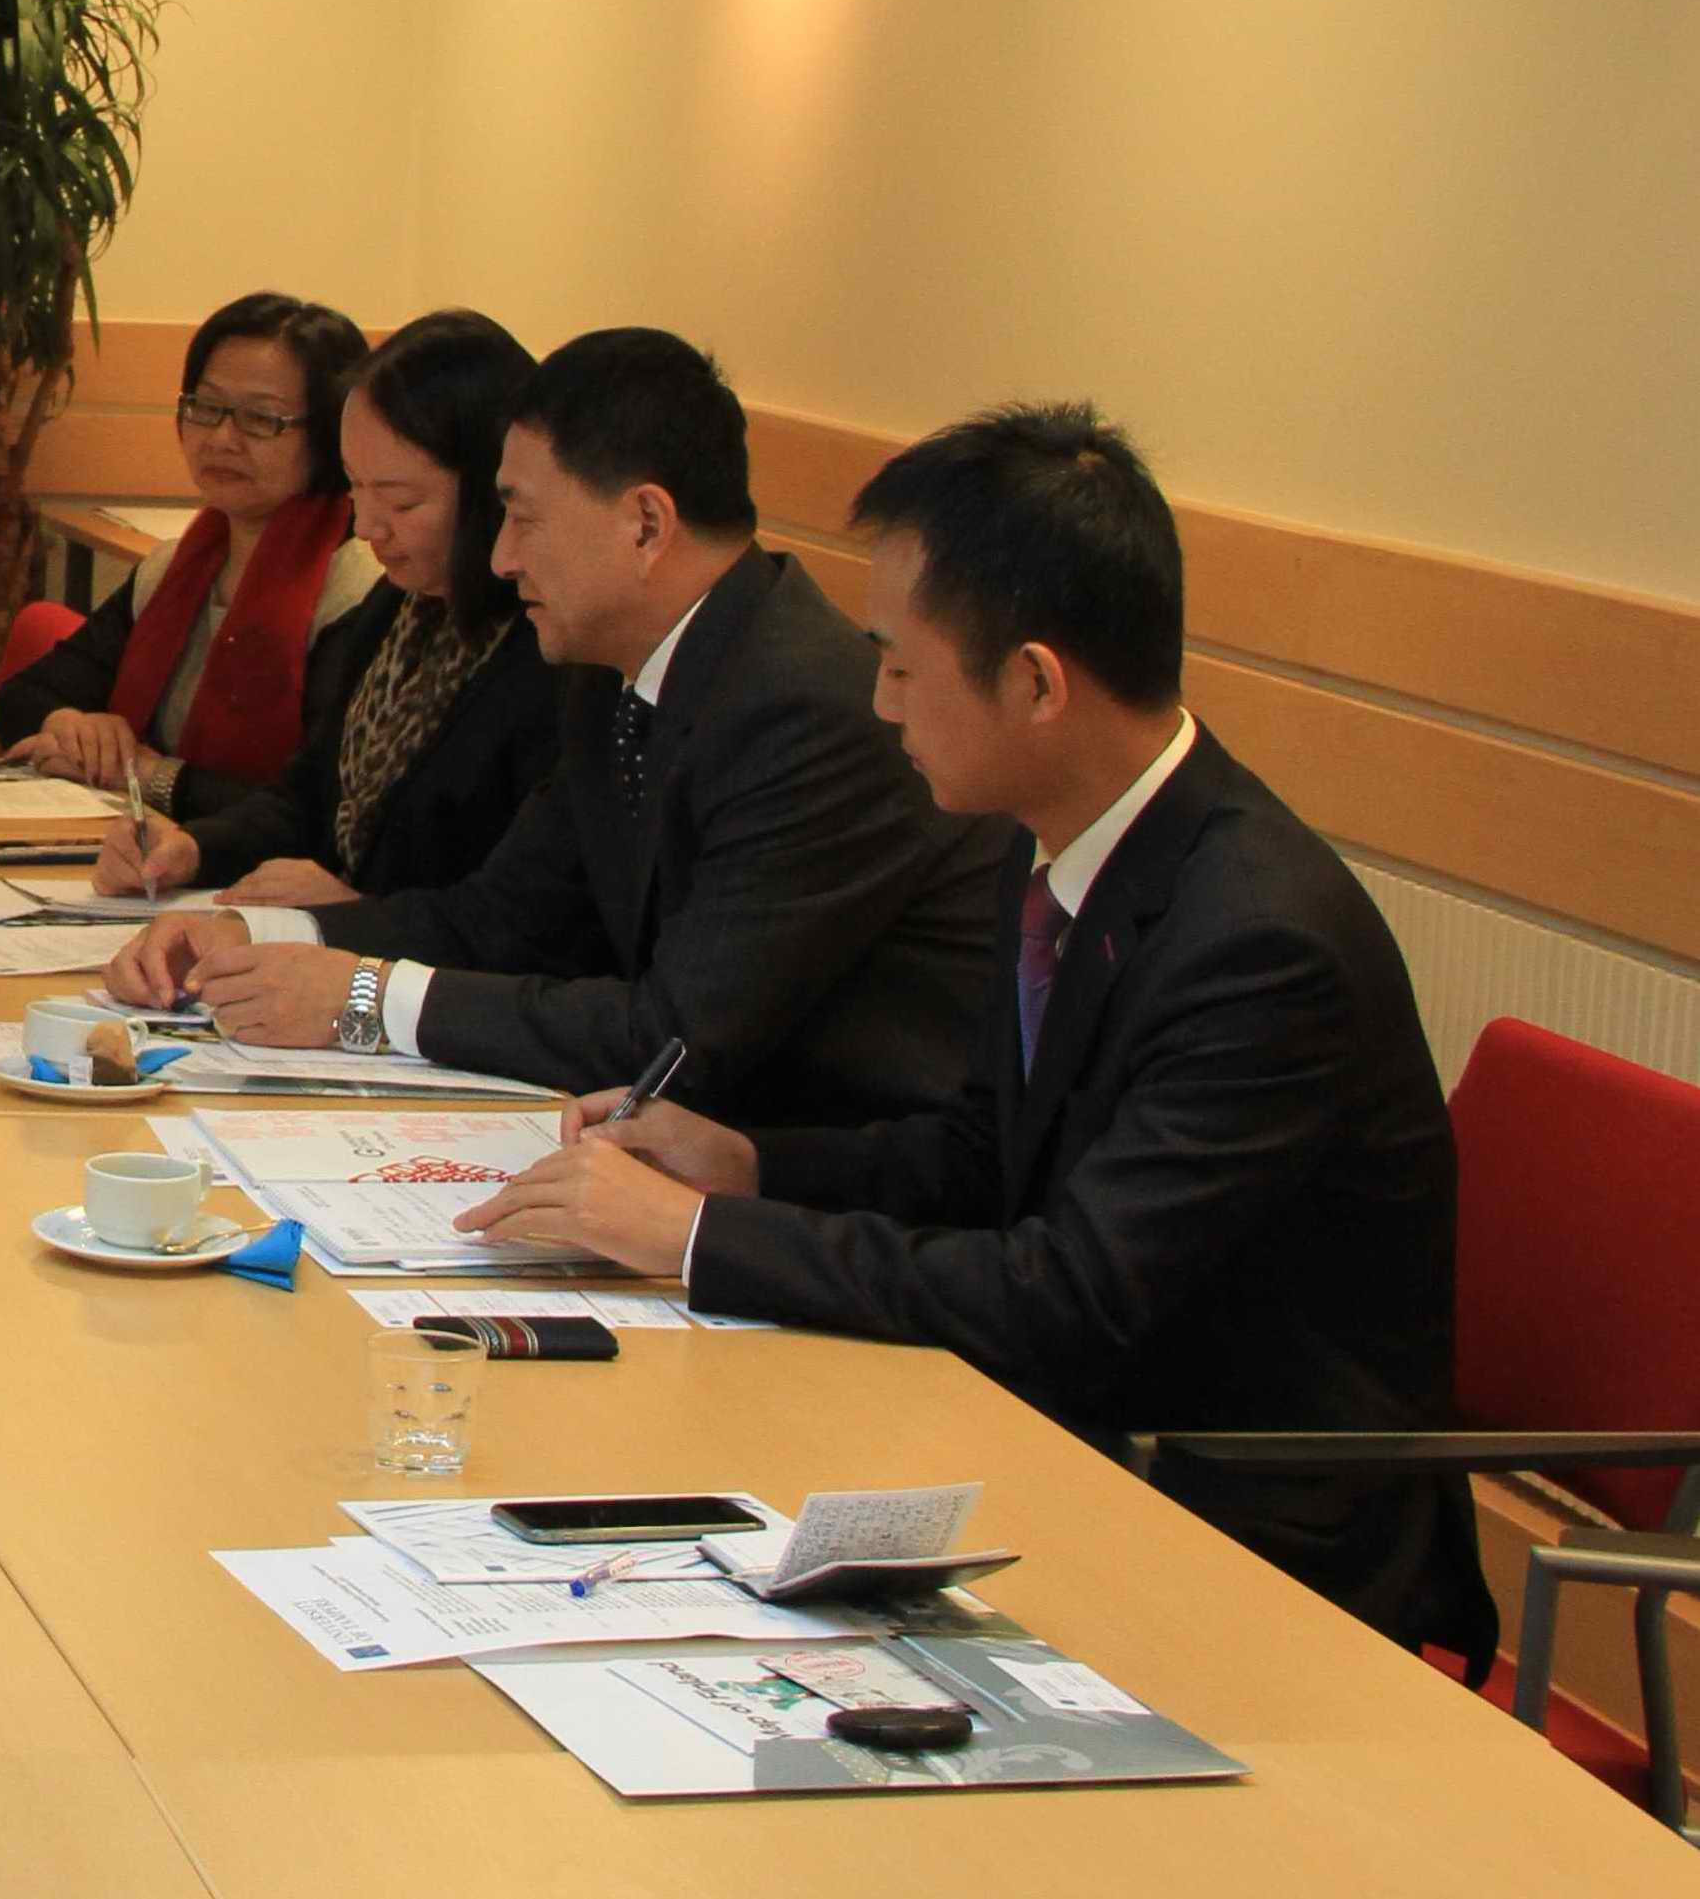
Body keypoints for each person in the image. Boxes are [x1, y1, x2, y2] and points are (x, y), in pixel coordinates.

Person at [455, 405, 1490, 1659]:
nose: (877, 701)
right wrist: (748, 1165)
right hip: (1073, 1429)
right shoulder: (1060, 837)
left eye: (899, 666)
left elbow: (1067, 1295)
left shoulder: (1258, 943)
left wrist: (695, 1236)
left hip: (1245, 1527)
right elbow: (981, 1154)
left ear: (1034, 683)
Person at [107, 327, 1005, 1126]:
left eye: (524, 519)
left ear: (645, 524)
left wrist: (368, 1000)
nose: (501, 557)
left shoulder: (801, 709)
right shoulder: (609, 670)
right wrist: (260, 936)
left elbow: (675, 1037)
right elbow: (501, 920)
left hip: (838, 1174)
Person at [94, 310, 556, 906]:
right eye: (356, 488)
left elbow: (521, 916)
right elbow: (307, 798)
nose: (367, 527)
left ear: (494, 493)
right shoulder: (400, 609)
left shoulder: (545, 653)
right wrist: (193, 848)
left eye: (401, 503)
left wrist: (357, 914)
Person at [0, 292, 380, 821]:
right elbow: (21, 697)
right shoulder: (178, 567)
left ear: (331, 434)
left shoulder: (358, 591)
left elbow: (322, 809)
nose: (221, 438)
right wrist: (71, 726)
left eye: (261, 418)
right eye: (207, 407)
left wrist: (150, 776)